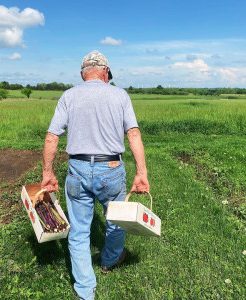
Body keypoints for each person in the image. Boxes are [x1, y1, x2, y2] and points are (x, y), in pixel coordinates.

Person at [41, 50, 149, 300]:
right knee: (115, 220)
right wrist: (141, 173)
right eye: (109, 75)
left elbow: (51, 137)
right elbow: (133, 134)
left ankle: (85, 291)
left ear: (83, 74)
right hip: (111, 170)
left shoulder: (68, 96)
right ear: (105, 72)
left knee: (79, 232)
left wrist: (47, 173)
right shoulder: (120, 95)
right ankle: (109, 261)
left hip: (77, 170)